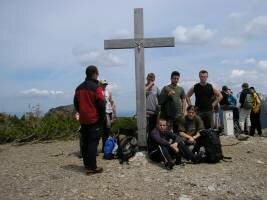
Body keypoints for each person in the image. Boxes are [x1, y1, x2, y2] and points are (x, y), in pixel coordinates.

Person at [74, 65, 105, 175]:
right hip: (94, 120)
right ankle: (92, 168)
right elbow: (101, 105)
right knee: (92, 143)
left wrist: (82, 113)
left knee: (85, 143)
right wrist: (101, 119)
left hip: (83, 120)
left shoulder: (78, 88)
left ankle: (87, 165)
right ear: (95, 73)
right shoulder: (97, 88)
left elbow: (76, 104)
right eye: (98, 73)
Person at [99, 80, 115, 152]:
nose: (104, 85)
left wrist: (114, 112)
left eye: (105, 84)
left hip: (109, 111)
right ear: (100, 84)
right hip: (103, 112)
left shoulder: (108, 92)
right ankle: (102, 147)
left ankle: (105, 147)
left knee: (107, 130)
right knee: (102, 130)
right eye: (103, 84)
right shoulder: (99, 92)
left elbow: (111, 101)